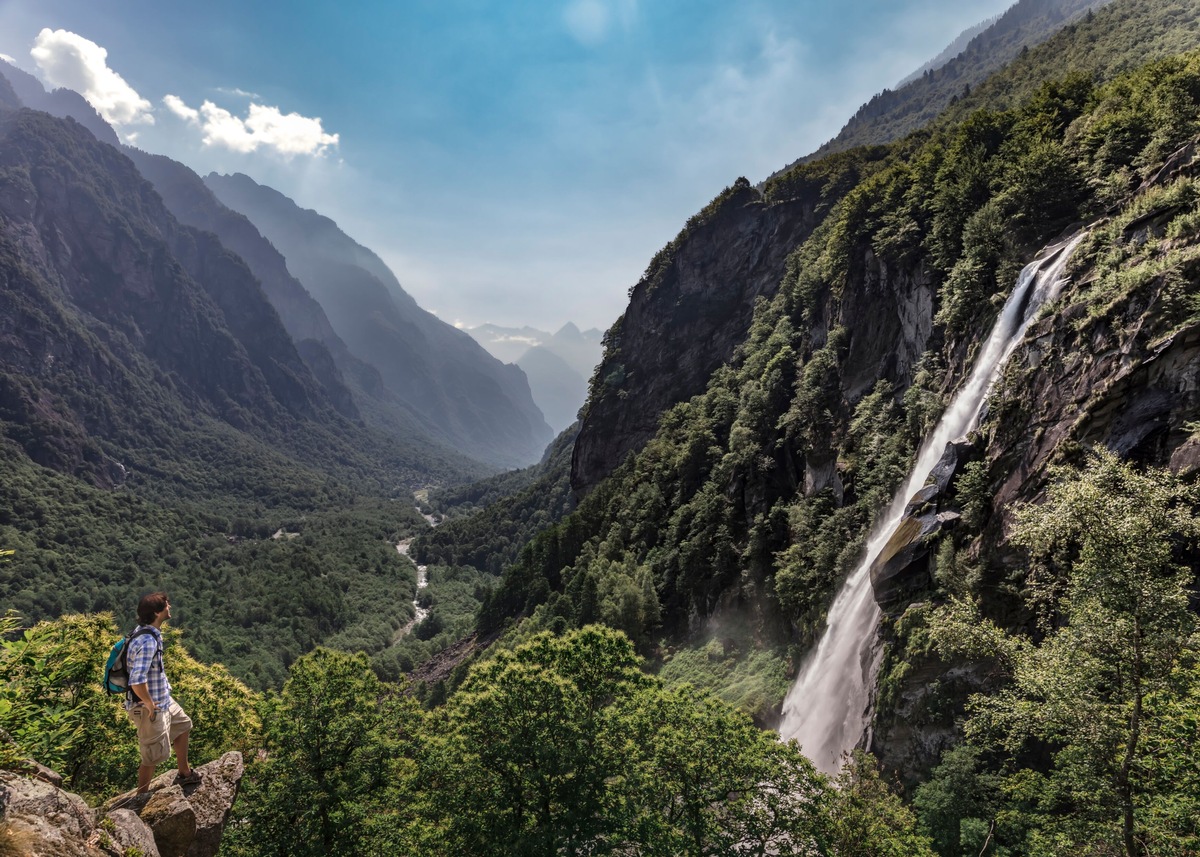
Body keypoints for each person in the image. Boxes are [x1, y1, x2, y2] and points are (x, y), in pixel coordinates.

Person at [126, 591, 201, 792]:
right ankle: (141, 798)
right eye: (167, 605)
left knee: (183, 725)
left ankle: (184, 773)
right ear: (157, 612)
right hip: (150, 706)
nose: (170, 608)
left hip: (163, 699)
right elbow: (136, 679)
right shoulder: (148, 641)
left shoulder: (145, 632)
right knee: (152, 756)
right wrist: (149, 704)